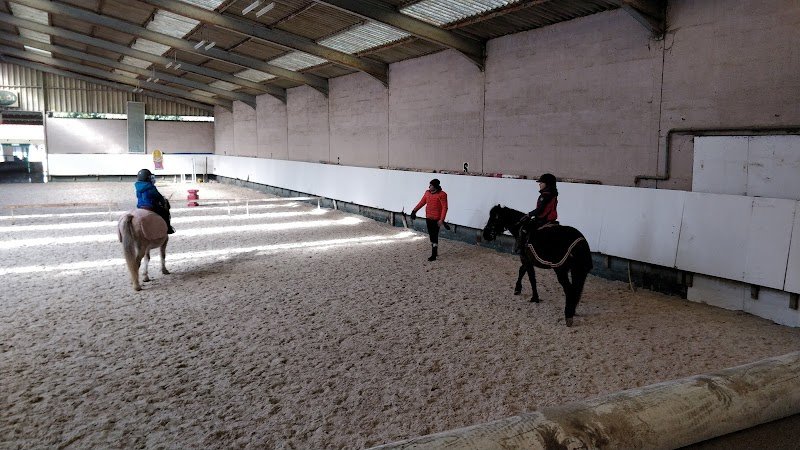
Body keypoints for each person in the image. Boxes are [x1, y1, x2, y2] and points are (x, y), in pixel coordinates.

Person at [410, 178, 448, 261]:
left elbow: (445, 207)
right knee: (431, 235)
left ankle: (434, 254)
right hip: (428, 217)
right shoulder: (427, 193)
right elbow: (422, 202)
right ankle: (435, 251)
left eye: (431, 185)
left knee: (434, 235)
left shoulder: (442, 195)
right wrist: (414, 211)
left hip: (436, 219)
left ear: (435, 186)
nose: (429, 186)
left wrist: (441, 219)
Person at [135, 168, 175, 234]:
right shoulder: (151, 187)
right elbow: (158, 197)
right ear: (147, 178)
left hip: (140, 207)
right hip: (150, 207)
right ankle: (168, 228)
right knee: (164, 213)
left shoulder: (137, 187)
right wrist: (163, 201)